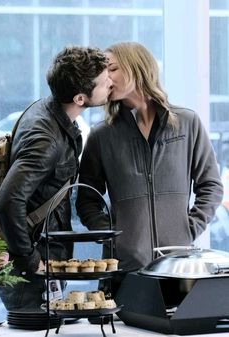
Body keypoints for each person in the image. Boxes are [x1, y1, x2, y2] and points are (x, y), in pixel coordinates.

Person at [76, 41, 224, 297]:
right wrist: (113, 236)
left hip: (178, 267)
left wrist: (190, 227)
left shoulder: (187, 124)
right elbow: (87, 199)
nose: (106, 78)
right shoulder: (102, 136)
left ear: (137, 68)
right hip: (125, 271)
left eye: (111, 69)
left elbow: (211, 186)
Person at [0, 45, 112, 310]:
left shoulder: (48, 110)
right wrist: (30, 259)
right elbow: (7, 203)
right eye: (105, 82)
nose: (111, 83)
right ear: (80, 98)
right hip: (32, 272)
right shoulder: (46, 140)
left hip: (42, 259)